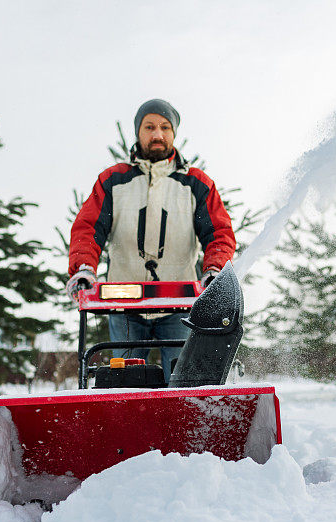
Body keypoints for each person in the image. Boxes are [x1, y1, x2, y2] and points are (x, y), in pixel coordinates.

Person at [66, 99, 236, 380]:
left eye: (165, 127)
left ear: (174, 133)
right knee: (125, 383)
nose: (157, 134)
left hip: (182, 303)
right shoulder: (113, 180)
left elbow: (219, 233)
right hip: (125, 304)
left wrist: (214, 271)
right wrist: (84, 268)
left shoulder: (196, 183)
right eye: (149, 127)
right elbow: (88, 228)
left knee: (185, 381)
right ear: (138, 132)